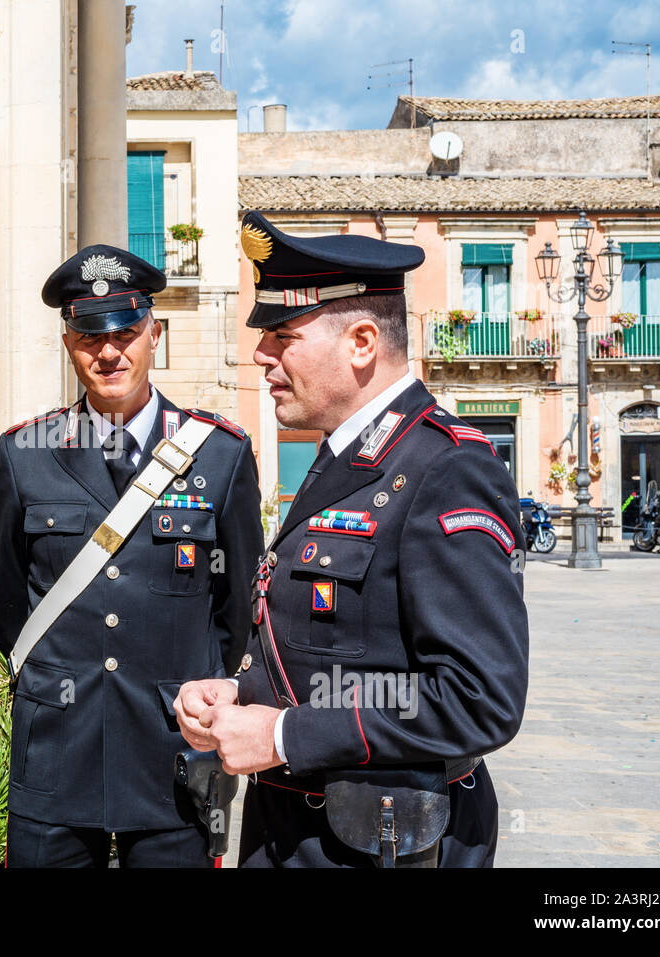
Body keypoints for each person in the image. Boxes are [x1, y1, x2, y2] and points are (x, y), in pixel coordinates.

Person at [175, 212, 529, 868]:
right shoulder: (354, 454)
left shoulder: (446, 468)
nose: (261, 356)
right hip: (299, 830)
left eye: (281, 335)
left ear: (362, 341)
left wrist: (283, 732)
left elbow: (480, 698)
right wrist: (247, 699)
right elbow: (347, 652)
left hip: (386, 844)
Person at [0, 244, 262, 867]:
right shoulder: (24, 454)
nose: (109, 352)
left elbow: (236, 609)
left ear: (154, 335)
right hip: (57, 749)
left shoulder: (218, 455)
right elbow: (5, 608)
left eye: (127, 332)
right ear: (68, 343)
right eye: (89, 336)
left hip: (173, 753)